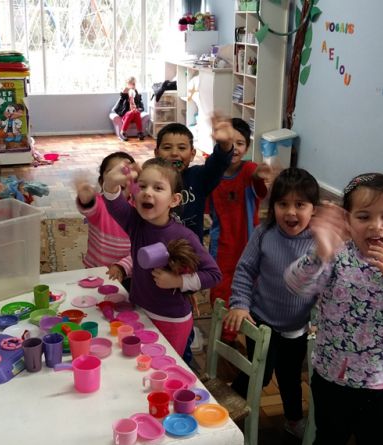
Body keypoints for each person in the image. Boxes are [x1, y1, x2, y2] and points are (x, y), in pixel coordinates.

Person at [285, 172, 383, 445]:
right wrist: (320, 253)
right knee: (328, 442)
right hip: (332, 380)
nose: (376, 226)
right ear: (348, 220)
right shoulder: (335, 257)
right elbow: (296, 285)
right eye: (364, 216)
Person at [223, 168, 319, 438]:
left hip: (298, 327)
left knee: (290, 376)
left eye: (300, 205)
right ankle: (228, 407)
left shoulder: (318, 243)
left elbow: (328, 286)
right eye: (283, 204)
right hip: (261, 320)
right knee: (259, 372)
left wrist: (319, 319)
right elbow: (245, 270)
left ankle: (293, 419)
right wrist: (240, 303)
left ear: (314, 209)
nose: (291, 212)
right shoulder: (264, 233)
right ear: (272, 205)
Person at [101, 157, 221, 356]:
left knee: (164, 366)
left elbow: (214, 275)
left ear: (174, 200)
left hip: (172, 320)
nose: (147, 192)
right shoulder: (135, 223)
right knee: (139, 363)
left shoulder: (184, 235)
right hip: (139, 311)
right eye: (142, 186)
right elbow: (114, 202)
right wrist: (111, 182)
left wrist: (178, 281)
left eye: (158, 188)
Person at [155, 117, 234, 362]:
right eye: (167, 147)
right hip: (156, 254)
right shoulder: (153, 180)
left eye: (181, 148)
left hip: (187, 259)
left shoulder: (198, 178)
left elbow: (217, 165)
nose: (174, 153)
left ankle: (184, 351)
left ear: (192, 154)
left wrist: (225, 145)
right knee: (156, 299)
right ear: (156, 153)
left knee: (183, 304)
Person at [206, 117, 271, 307]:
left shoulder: (249, 169)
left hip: (248, 240)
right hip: (221, 241)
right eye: (229, 142)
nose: (234, 148)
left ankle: (244, 314)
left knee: (248, 279)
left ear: (247, 148)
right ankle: (222, 318)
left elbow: (260, 187)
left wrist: (260, 176)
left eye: (240, 143)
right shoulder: (212, 169)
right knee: (220, 283)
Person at [74, 152, 134, 288]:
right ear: (102, 182)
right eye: (112, 173)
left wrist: (123, 266)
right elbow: (90, 209)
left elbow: (142, 245)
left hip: (128, 272)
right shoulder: (100, 203)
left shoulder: (140, 208)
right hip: (97, 271)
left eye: (125, 172)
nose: (118, 178)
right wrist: (87, 200)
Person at [114, 76, 145, 141]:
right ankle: (122, 132)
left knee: (136, 112)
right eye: (131, 83)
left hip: (135, 116)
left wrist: (139, 109)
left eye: (134, 83)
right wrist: (124, 93)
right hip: (126, 116)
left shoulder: (136, 93)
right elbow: (121, 102)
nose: (133, 85)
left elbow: (141, 106)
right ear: (128, 84)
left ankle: (140, 132)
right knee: (131, 112)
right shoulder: (125, 93)